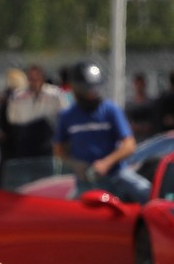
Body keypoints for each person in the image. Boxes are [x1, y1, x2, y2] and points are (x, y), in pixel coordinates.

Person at [54, 61, 136, 194]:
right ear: (76, 88)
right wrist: (76, 165)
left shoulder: (110, 110)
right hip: (86, 180)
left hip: (117, 175)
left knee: (145, 192)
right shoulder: (67, 116)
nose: (93, 93)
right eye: (88, 89)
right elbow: (59, 150)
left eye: (95, 88)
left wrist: (107, 163)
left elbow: (129, 145)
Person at [6, 64, 64, 159]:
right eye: (31, 78)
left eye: (36, 78)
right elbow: (12, 118)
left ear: (42, 78)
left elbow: (63, 114)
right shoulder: (17, 96)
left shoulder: (55, 94)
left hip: (47, 140)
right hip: (26, 139)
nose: (34, 82)